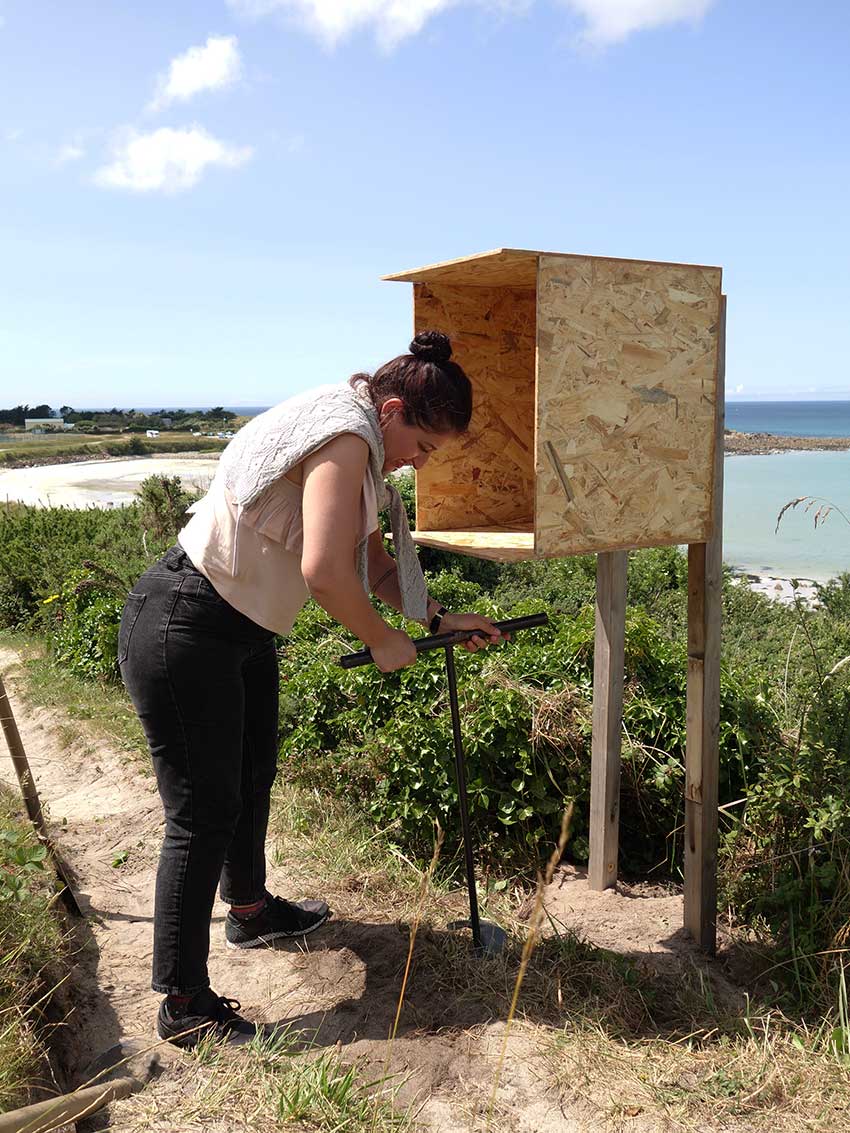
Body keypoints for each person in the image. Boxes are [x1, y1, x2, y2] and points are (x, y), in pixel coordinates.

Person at [118, 330, 503, 1047]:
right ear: (392, 410)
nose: (420, 464)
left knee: (251, 775)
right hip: (185, 623)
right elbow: (326, 572)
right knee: (202, 811)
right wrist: (383, 641)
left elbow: (379, 569)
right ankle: (184, 1002)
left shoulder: (358, 443)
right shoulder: (345, 435)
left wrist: (437, 618)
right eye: (423, 446)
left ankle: (252, 910)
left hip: (237, 628)